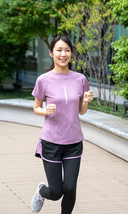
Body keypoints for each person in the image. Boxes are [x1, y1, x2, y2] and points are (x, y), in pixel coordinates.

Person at [30, 35, 94, 213]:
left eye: (67, 50)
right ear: (51, 53)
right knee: (57, 191)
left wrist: (87, 100)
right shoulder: (43, 79)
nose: (63, 54)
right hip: (51, 141)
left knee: (70, 188)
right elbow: (36, 107)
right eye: (59, 50)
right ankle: (42, 191)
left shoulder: (80, 79)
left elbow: (81, 111)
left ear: (71, 54)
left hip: (73, 141)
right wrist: (45, 111)